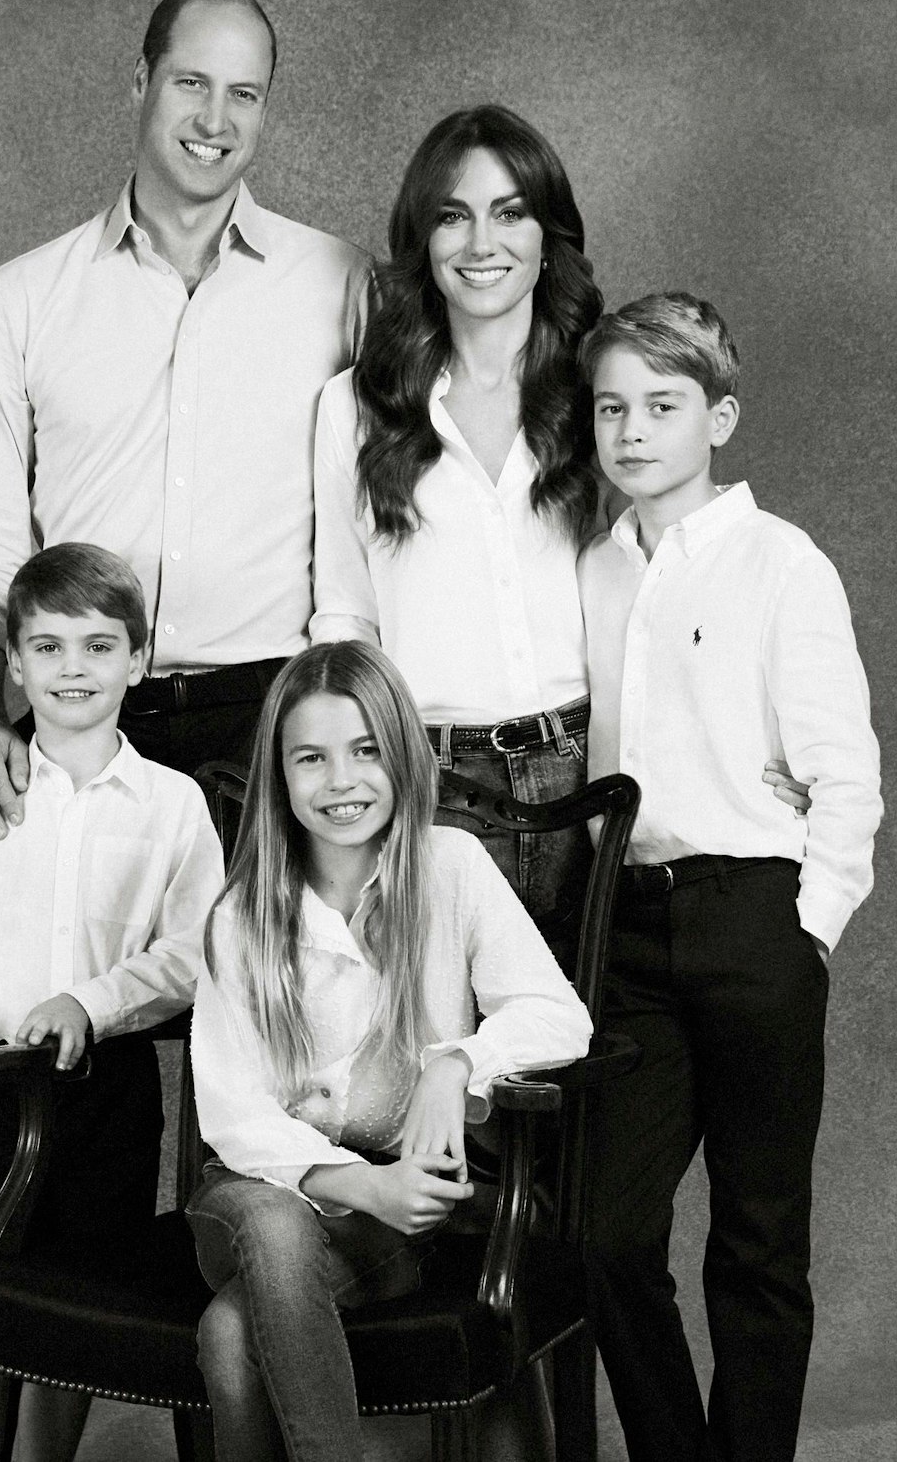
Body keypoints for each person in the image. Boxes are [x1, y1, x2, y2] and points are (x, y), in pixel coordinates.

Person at [311, 106, 808, 922]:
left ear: (549, 239)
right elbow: (344, 614)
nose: (481, 243)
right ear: (421, 240)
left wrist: (765, 728)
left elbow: (679, 566)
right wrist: (356, 768)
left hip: (592, 772)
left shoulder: (598, 396)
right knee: (444, 1042)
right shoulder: (356, 407)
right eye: (452, 216)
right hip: (426, 779)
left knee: (589, 1036)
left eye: (510, 213)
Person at [0, 0, 368, 840]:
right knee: (62, 976)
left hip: (272, 726)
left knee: (265, 977)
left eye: (245, 94)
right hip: (82, 714)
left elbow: (391, 517)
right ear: (140, 83)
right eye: (191, 83)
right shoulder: (24, 298)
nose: (216, 119)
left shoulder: (341, 286)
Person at [574, 294, 884, 1462]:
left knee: (754, 1244)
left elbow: (843, 774)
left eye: (661, 405)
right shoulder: (594, 568)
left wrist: (804, 932)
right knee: (605, 1236)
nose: (632, 431)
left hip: (753, 915)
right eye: (610, 407)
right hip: (629, 934)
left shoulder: (778, 562)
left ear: (719, 417)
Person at [186, 639, 592, 1462]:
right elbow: (234, 1114)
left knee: (231, 1339)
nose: (341, 782)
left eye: (365, 751)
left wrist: (457, 1062)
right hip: (251, 1192)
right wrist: (361, 1184)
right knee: (274, 1226)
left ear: (402, 756)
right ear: (280, 776)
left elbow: (559, 1016)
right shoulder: (242, 915)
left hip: (395, 1215)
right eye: (312, 758)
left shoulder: (452, 868)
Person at [0, 542, 226, 1462]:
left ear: (139, 659)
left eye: (97, 645)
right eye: (47, 648)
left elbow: (198, 955)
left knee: (78, 1323)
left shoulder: (172, 805)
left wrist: (94, 1000)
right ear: (13, 663)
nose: (73, 669)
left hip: (107, 1098)